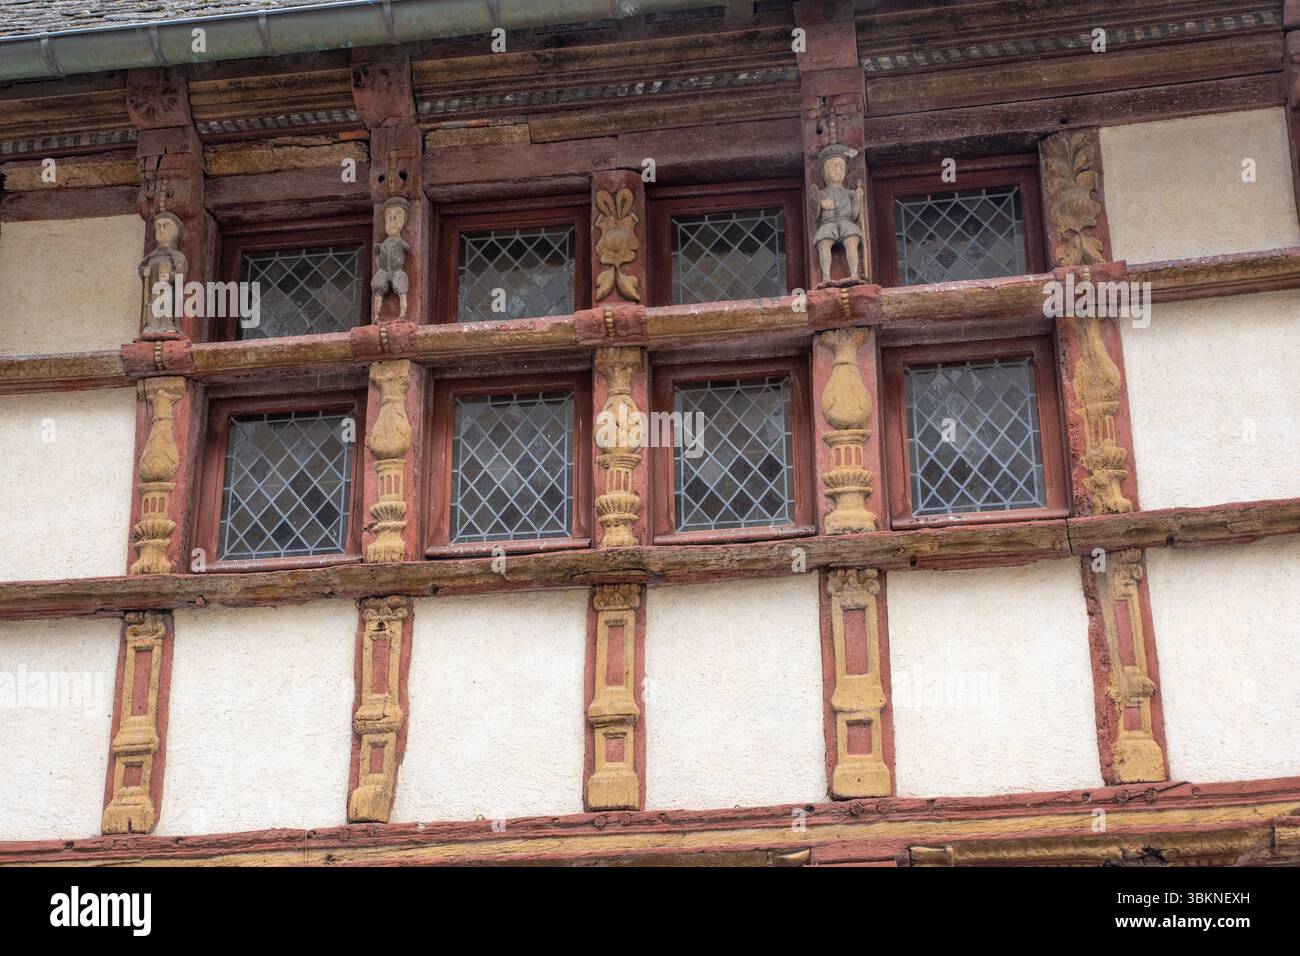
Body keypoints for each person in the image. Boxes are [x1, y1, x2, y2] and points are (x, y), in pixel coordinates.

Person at [814, 144, 864, 282]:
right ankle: (826, 277)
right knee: (824, 243)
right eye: (833, 166)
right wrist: (821, 204)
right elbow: (815, 212)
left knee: (852, 240)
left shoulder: (849, 193)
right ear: (824, 172)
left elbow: (854, 215)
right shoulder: (821, 194)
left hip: (846, 222)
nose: (838, 170)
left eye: (841, 167)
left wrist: (858, 200)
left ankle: (854, 273)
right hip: (827, 223)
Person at [372, 197, 411, 320]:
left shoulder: (400, 241)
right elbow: (377, 255)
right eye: (388, 215)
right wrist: (379, 263)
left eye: (398, 215)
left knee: (402, 290)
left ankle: (402, 314)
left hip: (396, 271)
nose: (392, 219)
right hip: (383, 271)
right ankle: (376, 316)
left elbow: (408, 248)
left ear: (404, 220)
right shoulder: (384, 243)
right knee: (378, 290)